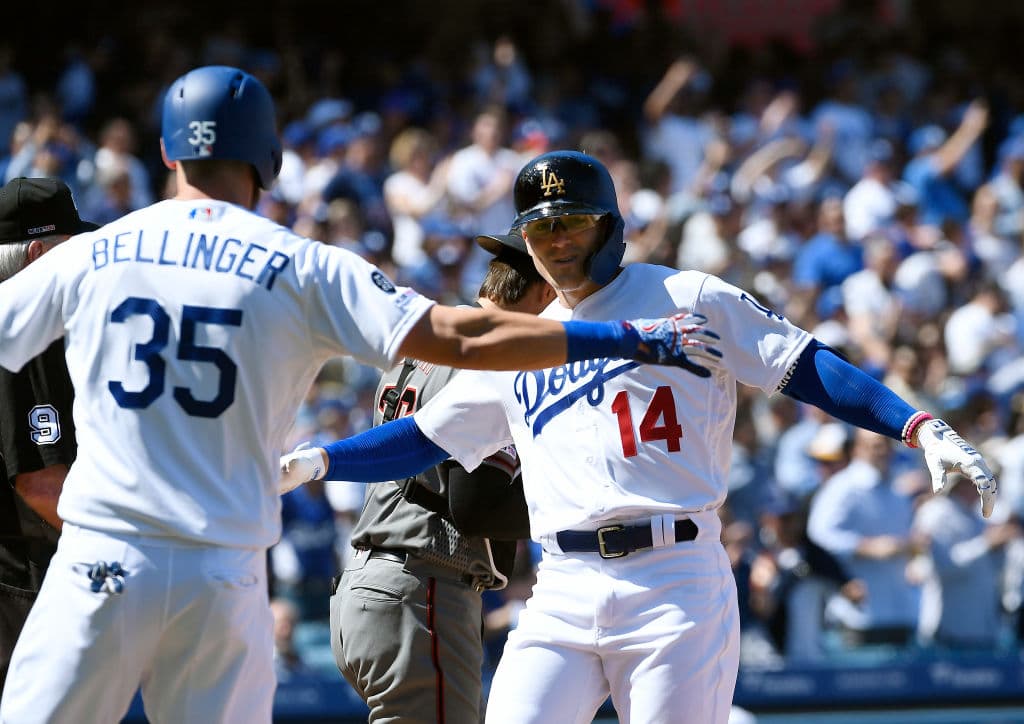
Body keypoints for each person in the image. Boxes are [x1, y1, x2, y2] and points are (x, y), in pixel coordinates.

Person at [0, 68, 717, 724]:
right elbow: (458, 338)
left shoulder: (96, 250)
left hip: (101, 549)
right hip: (221, 570)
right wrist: (623, 338)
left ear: (166, 152)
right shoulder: (298, 263)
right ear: (269, 161)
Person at [280, 150, 997, 724]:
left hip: (675, 579)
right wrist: (314, 460)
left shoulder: (689, 296)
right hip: (561, 585)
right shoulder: (524, 341)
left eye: (574, 223)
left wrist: (917, 424)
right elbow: (425, 439)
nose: (557, 241)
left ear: (611, 225)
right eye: (542, 228)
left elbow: (803, 365)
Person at [332, 231, 555, 723]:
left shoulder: (429, 346)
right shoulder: (495, 357)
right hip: (421, 586)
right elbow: (475, 505)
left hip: (367, 586)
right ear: (543, 292)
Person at [0, 176, 97, 689]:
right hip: (19, 582)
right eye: (73, 247)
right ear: (38, 254)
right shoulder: (25, 332)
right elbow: (41, 485)